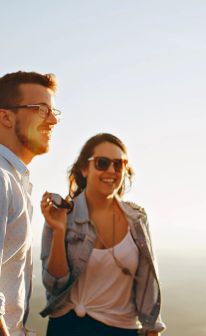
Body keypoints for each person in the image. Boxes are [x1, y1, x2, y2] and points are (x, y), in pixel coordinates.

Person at [39, 133, 165, 336]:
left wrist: (152, 330)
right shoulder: (62, 214)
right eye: (102, 163)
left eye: (119, 164)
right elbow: (55, 285)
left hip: (121, 330)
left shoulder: (137, 219)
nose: (111, 171)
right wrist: (59, 230)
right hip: (67, 328)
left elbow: (147, 283)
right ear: (84, 168)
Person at [0, 71, 59, 336]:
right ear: (5, 117)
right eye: (41, 109)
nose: (53, 120)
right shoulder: (2, 179)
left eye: (53, 110)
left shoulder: (15, 180)